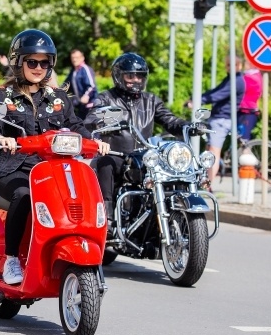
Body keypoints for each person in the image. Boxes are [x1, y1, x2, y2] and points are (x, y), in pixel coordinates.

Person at [0, 29, 110, 285]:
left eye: (44, 62)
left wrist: (94, 141)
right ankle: (12, 259)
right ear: (19, 61)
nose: (39, 67)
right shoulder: (1, 97)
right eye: (32, 61)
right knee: (25, 195)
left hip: (50, 169)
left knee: (79, 194)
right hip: (13, 169)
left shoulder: (58, 98)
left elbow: (75, 125)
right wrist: (0, 139)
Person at [84, 53, 193, 232]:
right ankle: (107, 220)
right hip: (116, 155)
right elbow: (92, 119)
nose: (136, 80)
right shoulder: (106, 98)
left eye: (140, 75)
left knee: (173, 170)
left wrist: (189, 126)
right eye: (130, 75)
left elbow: (170, 120)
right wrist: (103, 122)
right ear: (119, 76)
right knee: (106, 163)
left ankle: (171, 217)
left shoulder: (151, 101)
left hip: (144, 157)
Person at [186, 54, 246, 187]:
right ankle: (204, 184)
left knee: (213, 153)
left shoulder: (236, 81)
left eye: (234, 65)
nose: (231, 67)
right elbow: (215, 91)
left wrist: (198, 100)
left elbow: (218, 95)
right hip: (218, 118)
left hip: (222, 120)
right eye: (229, 65)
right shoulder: (230, 79)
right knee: (208, 153)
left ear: (240, 66)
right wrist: (197, 97)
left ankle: (207, 187)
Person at [62, 48, 98, 119]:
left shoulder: (85, 69)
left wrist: (86, 96)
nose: (74, 60)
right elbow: (66, 84)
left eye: (77, 57)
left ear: (82, 58)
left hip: (90, 105)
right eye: (73, 58)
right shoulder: (73, 71)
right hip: (81, 106)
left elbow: (92, 86)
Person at [238, 60, 263, 140]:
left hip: (248, 110)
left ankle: (245, 152)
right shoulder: (251, 75)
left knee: (244, 139)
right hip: (244, 109)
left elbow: (238, 87)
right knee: (240, 137)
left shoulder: (252, 77)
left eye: (246, 62)